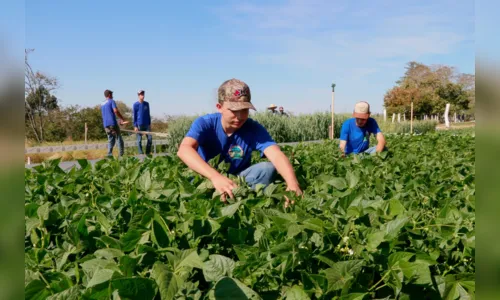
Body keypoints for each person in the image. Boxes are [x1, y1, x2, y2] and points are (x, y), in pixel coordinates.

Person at [177, 78, 302, 204]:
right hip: (208, 177)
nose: (240, 116)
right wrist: (215, 177)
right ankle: (220, 198)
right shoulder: (205, 123)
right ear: (219, 107)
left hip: (240, 178)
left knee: (267, 168)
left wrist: (292, 184)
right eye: (234, 111)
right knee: (195, 188)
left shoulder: (253, 128)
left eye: (244, 110)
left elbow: (276, 154)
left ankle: (241, 199)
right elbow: (184, 150)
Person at [101, 89, 129, 157]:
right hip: (112, 124)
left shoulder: (102, 104)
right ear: (109, 95)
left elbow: (107, 115)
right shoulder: (111, 101)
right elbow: (115, 111)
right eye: (112, 94)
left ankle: (109, 155)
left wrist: (117, 120)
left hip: (105, 125)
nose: (113, 96)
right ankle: (121, 156)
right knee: (119, 139)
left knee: (111, 140)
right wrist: (122, 118)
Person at [133, 89, 153, 155]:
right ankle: (140, 153)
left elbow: (148, 114)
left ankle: (147, 152)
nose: (142, 95)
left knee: (150, 139)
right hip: (139, 125)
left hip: (147, 124)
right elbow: (134, 116)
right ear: (138, 95)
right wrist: (135, 126)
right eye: (141, 94)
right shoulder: (135, 104)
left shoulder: (146, 104)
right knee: (139, 140)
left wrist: (150, 123)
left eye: (143, 94)